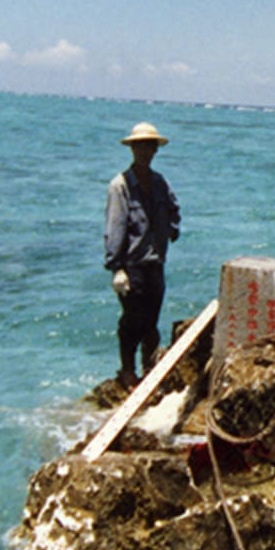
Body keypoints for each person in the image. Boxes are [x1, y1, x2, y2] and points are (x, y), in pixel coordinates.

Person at [104, 122, 181, 388]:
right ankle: (127, 371)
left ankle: (149, 373)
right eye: (139, 146)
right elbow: (115, 227)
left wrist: (172, 229)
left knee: (152, 324)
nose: (144, 151)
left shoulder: (160, 183)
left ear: (155, 150)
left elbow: (174, 209)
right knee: (131, 322)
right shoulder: (120, 186)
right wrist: (116, 267)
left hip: (155, 263)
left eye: (149, 146)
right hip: (131, 265)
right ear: (132, 149)